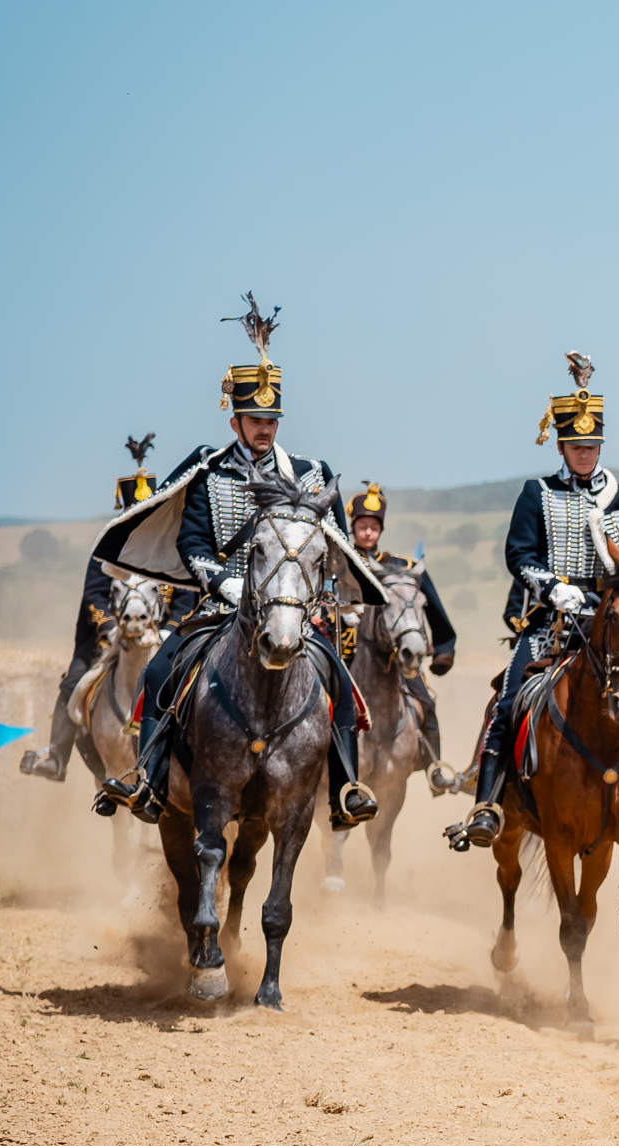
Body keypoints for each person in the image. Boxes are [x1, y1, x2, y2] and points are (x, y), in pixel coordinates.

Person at [91, 295, 386, 828]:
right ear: (235, 421)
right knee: (159, 669)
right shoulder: (208, 472)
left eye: (271, 418)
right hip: (221, 610)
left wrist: (324, 601)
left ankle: (346, 789)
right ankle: (150, 778)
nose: (264, 428)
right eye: (255, 418)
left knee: (340, 679)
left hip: (291, 610)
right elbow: (193, 544)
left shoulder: (311, 474)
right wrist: (222, 584)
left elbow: (333, 549)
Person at [444, 352, 619, 852]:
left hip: (612, 626)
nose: (585, 452)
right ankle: (486, 805)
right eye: (576, 444)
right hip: (552, 622)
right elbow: (517, 553)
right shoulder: (536, 493)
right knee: (508, 701)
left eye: (592, 444)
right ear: (562, 445)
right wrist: (549, 586)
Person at [18, 438, 195, 782]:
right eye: (134, 514)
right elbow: (94, 596)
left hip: (163, 636)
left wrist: (170, 629)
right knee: (73, 682)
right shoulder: (107, 550)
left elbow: (186, 597)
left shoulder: (171, 549)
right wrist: (111, 629)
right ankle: (56, 755)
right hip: (110, 638)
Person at [343, 482, 457, 761]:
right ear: (353, 527)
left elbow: (431, 604)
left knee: (426, 701)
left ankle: (434, 767)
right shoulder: (339, 562)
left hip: (394, 652)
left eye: (374, 527)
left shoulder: (399, 565)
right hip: (344, 649)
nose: (368, 532)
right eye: (362, 526)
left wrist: (443, 647)